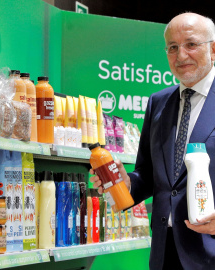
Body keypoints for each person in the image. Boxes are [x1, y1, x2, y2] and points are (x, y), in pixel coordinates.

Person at [90, 12, 215, 270]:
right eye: (172, 47)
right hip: (163, 252)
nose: (181, 55)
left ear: (213, 49)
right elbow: (148, 175)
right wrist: (126, 184)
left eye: (191, 44)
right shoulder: (158, 102)